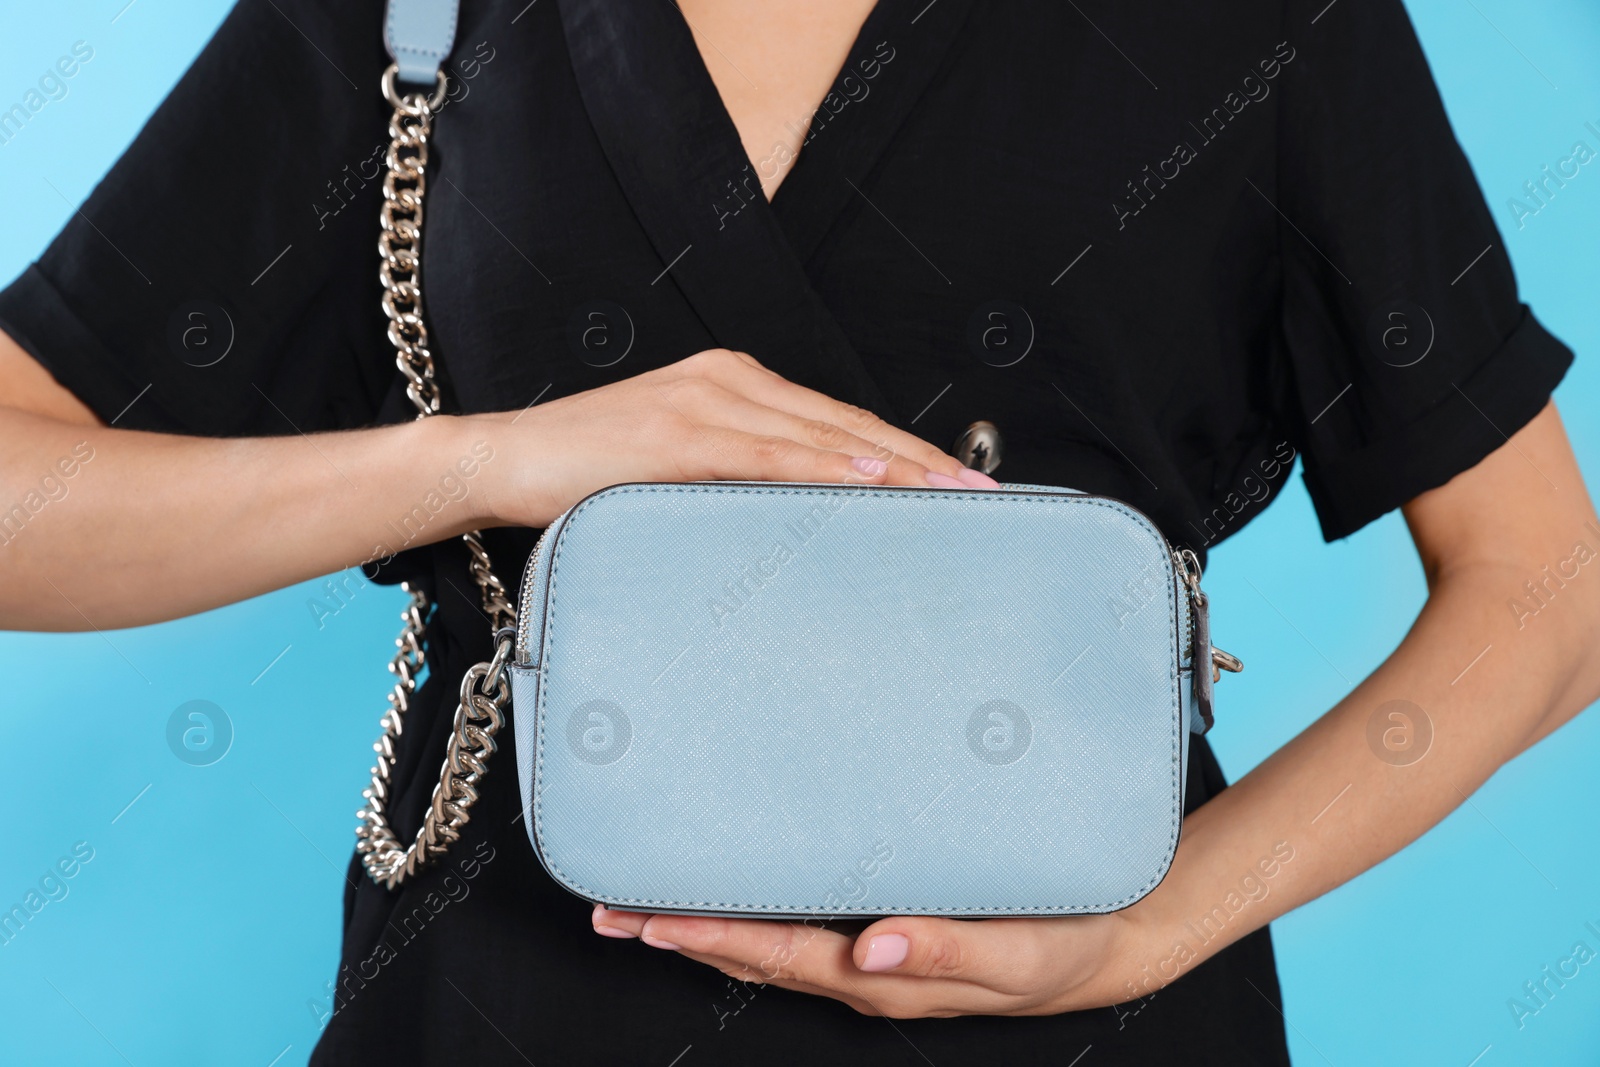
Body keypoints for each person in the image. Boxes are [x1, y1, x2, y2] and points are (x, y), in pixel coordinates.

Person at [1, 0, 1594, 1062]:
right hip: (504, 995)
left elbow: (1548, 588)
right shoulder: (421, 13)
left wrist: (1146, 936)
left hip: (1068, 992)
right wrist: (487, 462)